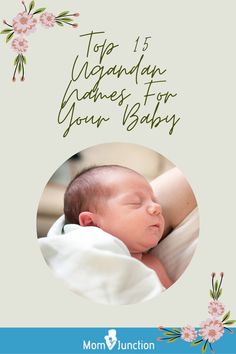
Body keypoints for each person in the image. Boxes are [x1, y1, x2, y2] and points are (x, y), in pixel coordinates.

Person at [64, 164, 173, 288]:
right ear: (91, 223)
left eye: (155, 201)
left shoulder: (153, 265)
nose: (157, 207)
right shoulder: (80, 255)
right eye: (135, 202)